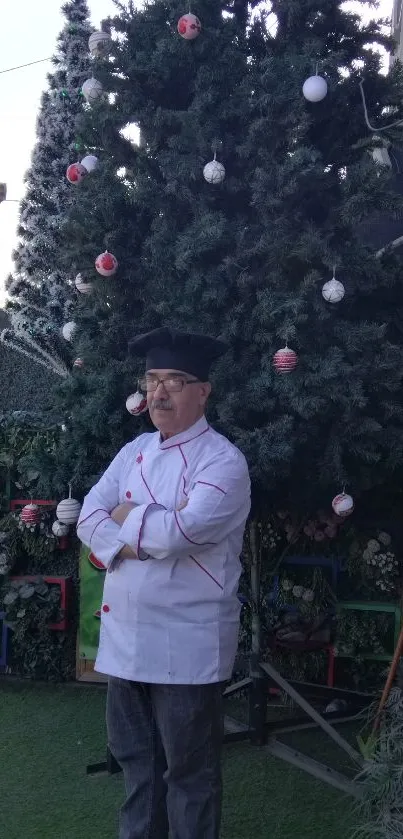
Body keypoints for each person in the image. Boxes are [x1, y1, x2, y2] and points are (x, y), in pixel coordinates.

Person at [77, 326, 251, 839]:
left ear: (203, 391)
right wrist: (145, 522)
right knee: (137, 768)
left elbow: (183, 533)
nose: (159, 392)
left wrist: (124, 517)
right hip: (126, 639)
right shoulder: (133, 451)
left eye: (175, 381)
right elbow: (89, 516)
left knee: (190, 777)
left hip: (186, 644)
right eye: (153, 379)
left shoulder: (224, 460)